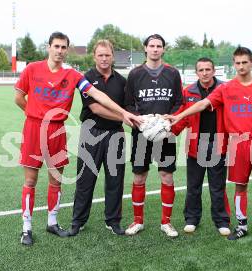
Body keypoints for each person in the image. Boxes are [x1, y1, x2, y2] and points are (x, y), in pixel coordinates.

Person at [14, 32, 141, 246]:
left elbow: (97, 95)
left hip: (57, 130)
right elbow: (18, 97)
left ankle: (52, 223)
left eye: (64, 47)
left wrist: (124, 113)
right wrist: (36, 116)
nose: (60, 51)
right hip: (34, 128)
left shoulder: (72, 75)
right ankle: (26, 228)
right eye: (56, 46)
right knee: (30, 180)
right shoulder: (32, 69)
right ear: (49, 47)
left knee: (56, 180)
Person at [166, 47, 252, 246]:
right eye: (237, 63)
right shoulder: (225, 89)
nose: (241, 66)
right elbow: (201, 105)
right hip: (230, 145)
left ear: (251, 63)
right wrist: (178, 117)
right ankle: (241, 226)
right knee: (237, 186)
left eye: (245, 62)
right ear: (233, 64)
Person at [124, 34, 183, 237]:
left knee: (166, 175)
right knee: (139, 176)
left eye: (159, 46)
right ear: (145, 49)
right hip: (142, 134)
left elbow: (178, 102)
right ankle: (137, 221)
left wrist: (169, 119)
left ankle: (166, 222)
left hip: (165, 134)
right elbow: (128, 104)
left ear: (163, 49)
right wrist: (141, 120)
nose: (155, 49)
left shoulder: (173, 74)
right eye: (152, 46)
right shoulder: (135, 74)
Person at [69, 40, 126, 236]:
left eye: (107, 55)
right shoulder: (86, 78)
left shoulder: (121, 81)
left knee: (115, 180)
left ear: (112, 57)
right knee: (85, 180)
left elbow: (128, 108)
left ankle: (113, 221)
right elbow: (96, 108)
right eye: (100, 55)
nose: (104, 59)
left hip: (116, 136)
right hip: (90, 134)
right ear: (94, 57)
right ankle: (78, 221)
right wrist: (124, 117)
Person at [171, 57, 231, 236]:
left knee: (217, 186)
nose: (204, 73)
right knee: (193, 186)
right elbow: (182, 116)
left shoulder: (224, 90)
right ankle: (191, 219)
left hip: (218, 143)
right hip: (195, 144)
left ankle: (221, 221)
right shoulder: (188, 91)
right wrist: (170, 131)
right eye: (201, 70)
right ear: (196, 72)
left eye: (208, 69)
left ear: (214, 71)